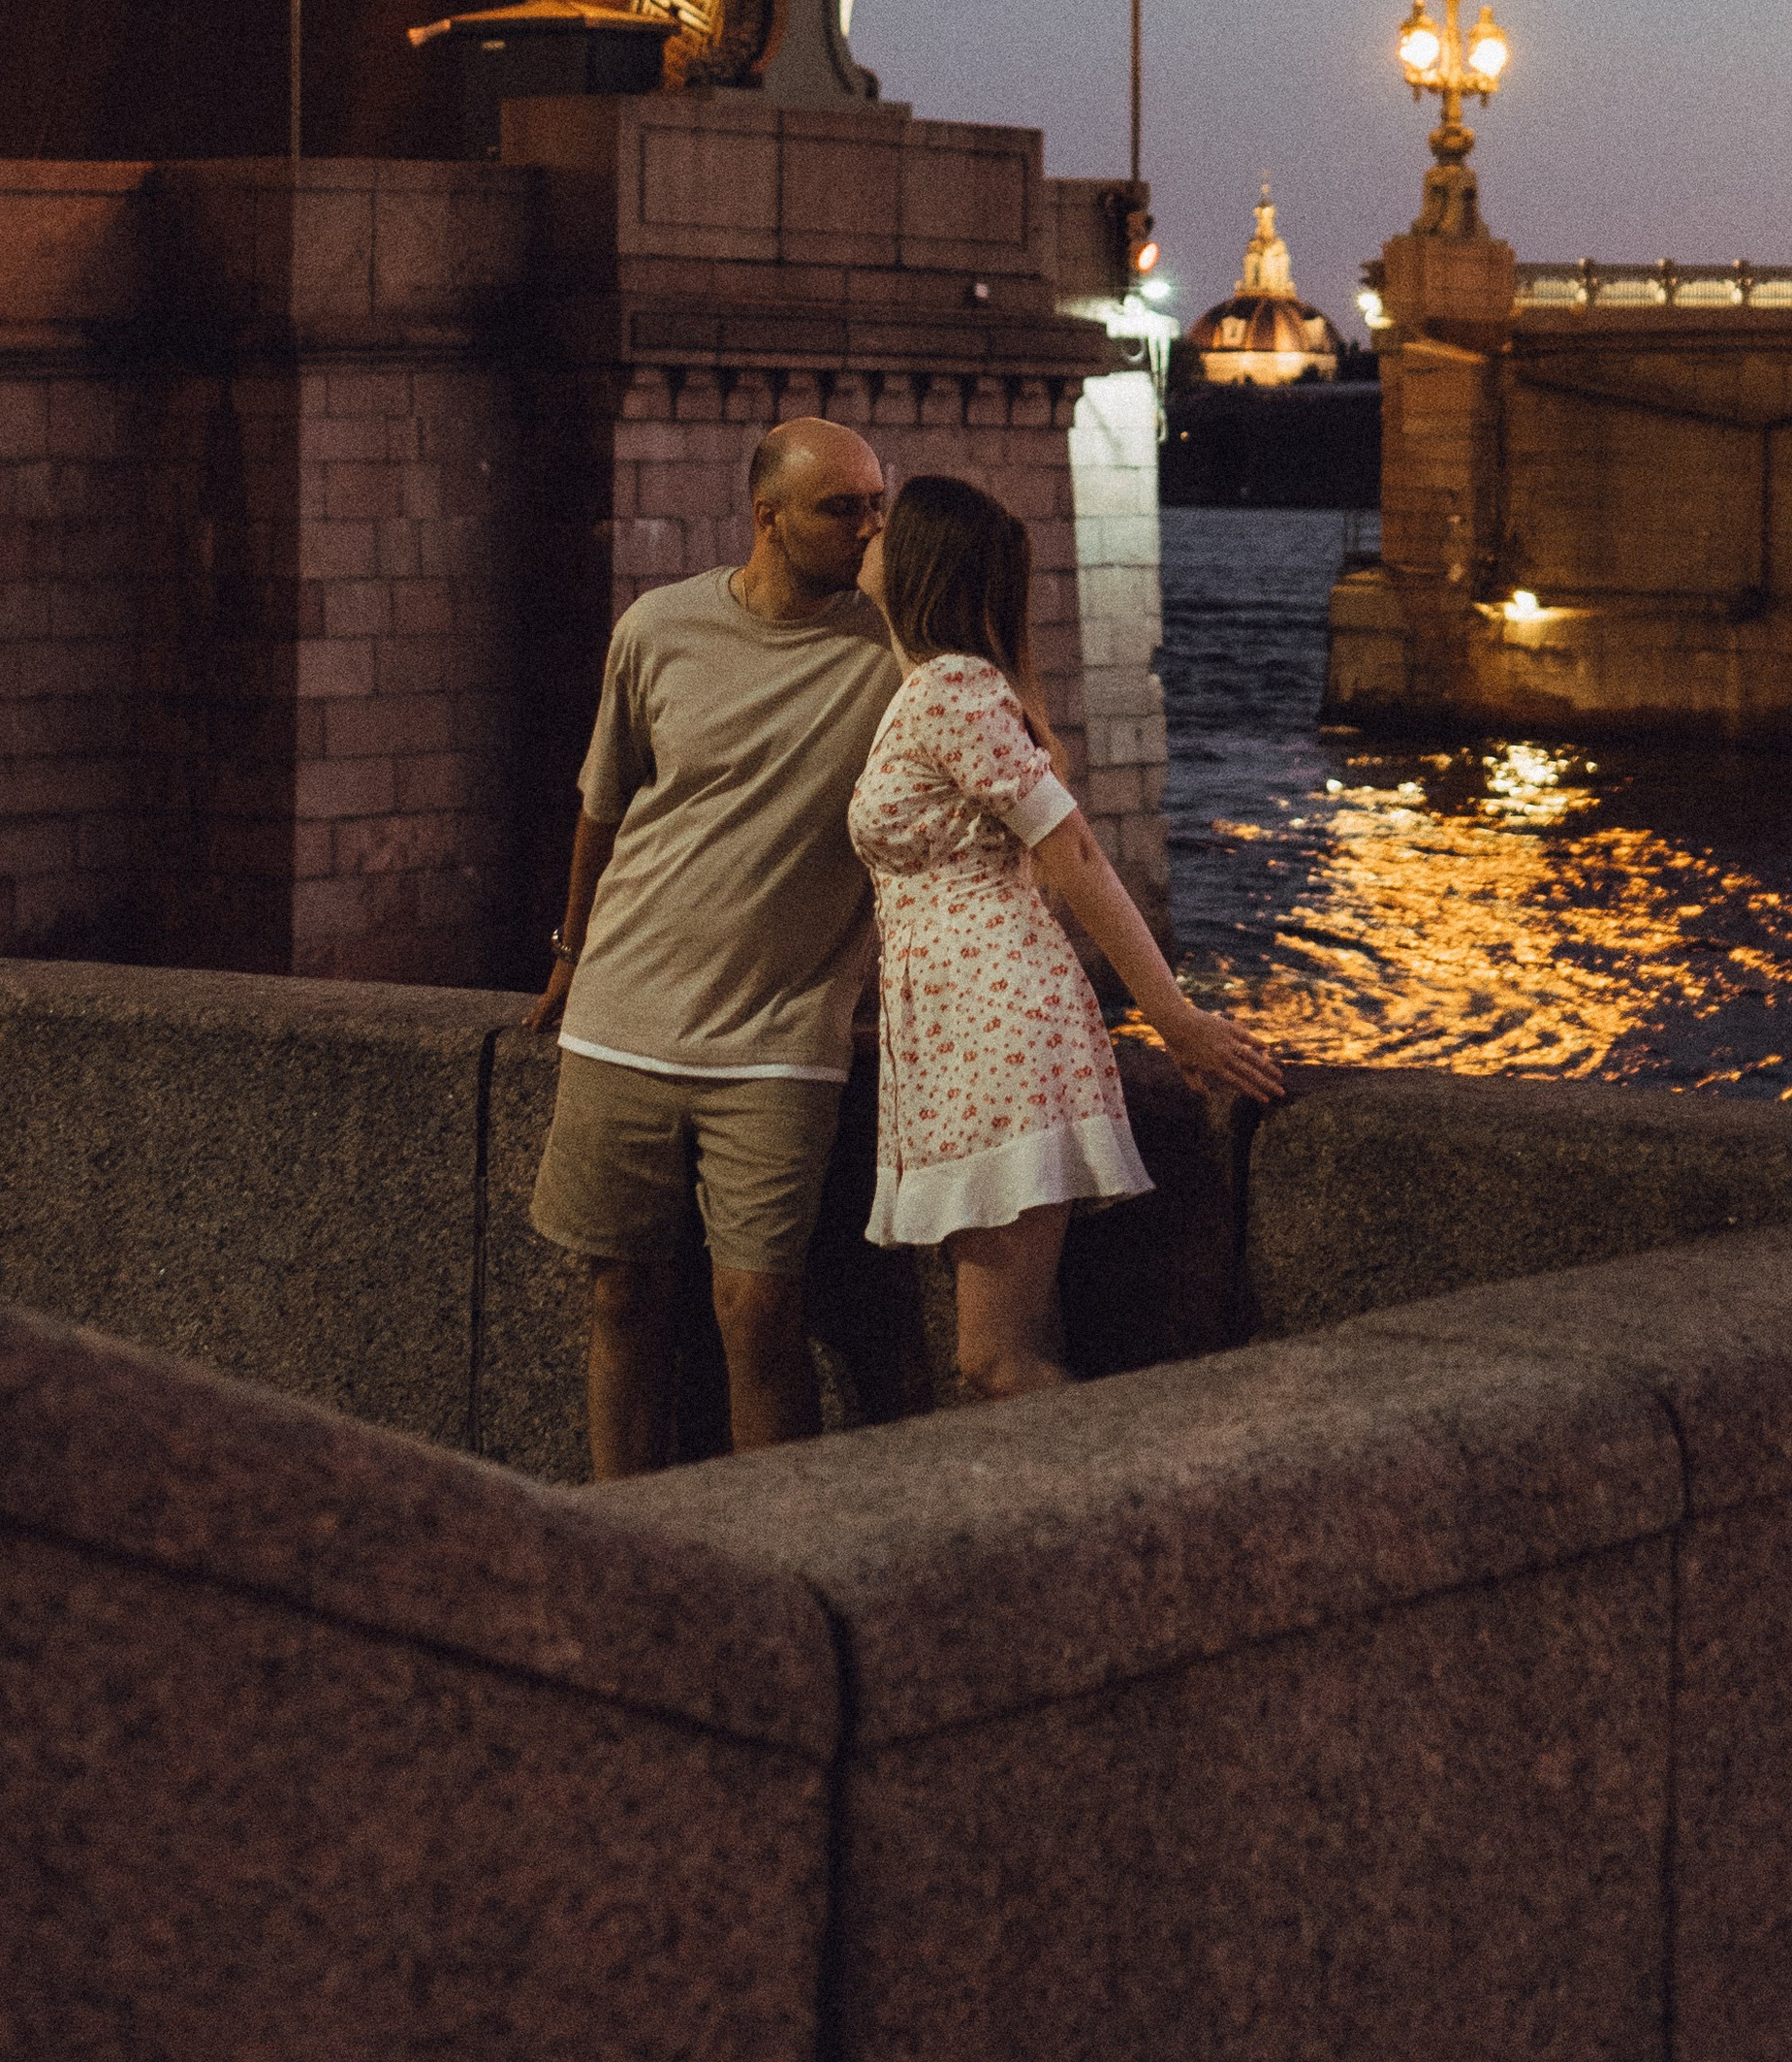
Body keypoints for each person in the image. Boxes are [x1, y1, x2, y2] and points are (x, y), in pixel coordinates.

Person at [851, 472, 1282, 1401]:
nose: (868, 533)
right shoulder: (929, 690)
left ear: (920, 560)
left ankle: (1125, 1505)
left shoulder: (953, 693)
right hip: (957, 1036)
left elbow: (1076, 852)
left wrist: (1174, 1017)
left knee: (993, 1362)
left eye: (888, 522)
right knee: (1021, 1344)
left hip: (997, 1030)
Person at [525, 416, 898, 1477]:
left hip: (780, 1039)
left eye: (878, 503)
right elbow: (604, 803)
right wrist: (570, 951)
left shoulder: (895, 647)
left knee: (760, 1309)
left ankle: (767, 1555)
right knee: (622, 1297)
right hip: (620, 1021)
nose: (868, 529)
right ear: (766, 519)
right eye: (842, 509)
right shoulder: (658, 627)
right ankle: (624, 1534)